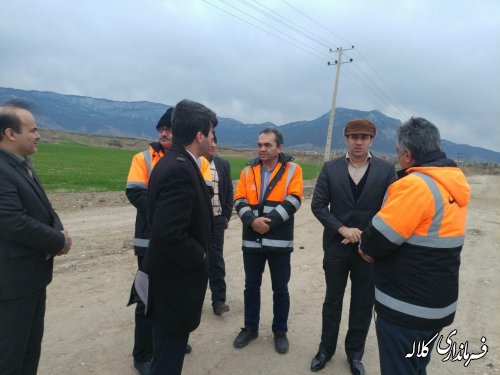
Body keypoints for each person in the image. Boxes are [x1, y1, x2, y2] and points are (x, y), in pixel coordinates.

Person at [358, 117, 470, 375]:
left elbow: (376, 241)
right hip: (437, 305)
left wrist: (365, 247)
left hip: (406, 309)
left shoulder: (415, 186)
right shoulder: (451, 185)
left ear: (407, 154)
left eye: (399, 153)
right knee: (416, 366)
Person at [310, 118, 396, 375]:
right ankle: (325, 349)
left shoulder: (385, 170)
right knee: (332, 300)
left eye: (364, 138)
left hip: (369, 251)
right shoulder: (330, 168)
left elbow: (389, 209)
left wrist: (364, 235)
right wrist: (343, 229)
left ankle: (355, 353)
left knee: (362, 302)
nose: (359, 142)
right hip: (336, 247)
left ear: (372, 140)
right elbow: (318, 205)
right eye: (354, 137)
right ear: (346, 138)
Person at [138, 99, 216, 375]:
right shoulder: (180, 169)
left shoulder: (174, 161)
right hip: (174, 284)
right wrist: (201, 255)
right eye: (211, 133)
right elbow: (168, 232)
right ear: (199, 136)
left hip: (169, 279)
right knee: (168, 359)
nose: (212, 139)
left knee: (166, 351)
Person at [0, 100, 72, 374]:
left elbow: (45, 207)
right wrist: (58, 241)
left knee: (30, 350)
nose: (38, 135)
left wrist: (58, 232)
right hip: (11, 284)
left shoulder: (21, 163)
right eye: (32, 130)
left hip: (30, 278)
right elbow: (12, 221)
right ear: (10, 133)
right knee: (10, 355)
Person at [233, 127, 303, 354]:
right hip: (252, 241)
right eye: (260, 144)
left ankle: (280, 331)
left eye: (267, 145)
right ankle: (250, 328)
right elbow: (239, 199)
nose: (262, 149)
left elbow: (294, 200)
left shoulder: (293, 170)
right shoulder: (247, 171)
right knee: (251, 287)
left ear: (279, 147)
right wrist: (252, 222)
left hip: (279, 243)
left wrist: (268, 223)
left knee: (280, 289)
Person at [205, 135, 233, 316]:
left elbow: (229, 192)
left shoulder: (223, 165)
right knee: (196, 260)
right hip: (197, 223)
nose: (213, 144)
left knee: (216, 260)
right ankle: (193, 299)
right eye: (210, 140)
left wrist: (225, 217)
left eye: (216, 140)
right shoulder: (193, 163)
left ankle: (218, 301)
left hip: (217, 220)